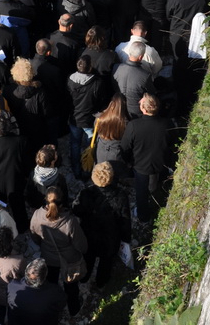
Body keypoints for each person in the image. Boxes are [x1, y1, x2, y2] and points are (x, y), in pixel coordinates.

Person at [28, 187, 86, 317]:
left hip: (48, 257)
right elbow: (80, 243)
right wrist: (83, 252)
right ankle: (74, 309)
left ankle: (53, 309)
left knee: (50, 284)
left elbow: (34, 235)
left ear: (45, 200)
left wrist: (44, 246)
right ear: (62, 202)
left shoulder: (37, 215)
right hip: (69, 259)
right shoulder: (70, 221)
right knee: (71, 286)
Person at [73, 162, 131, 288]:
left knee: (88, 259)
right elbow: (125, 222)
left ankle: (84, 278)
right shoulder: (120, 196)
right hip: (110, 239)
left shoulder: (85, 193)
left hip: (89, 236)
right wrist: (126, 239)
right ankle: (100, 282)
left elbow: (76, 210)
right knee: (106, 263)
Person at [121, 94, 173, 223]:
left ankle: (143, 217)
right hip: (160, 163)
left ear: (144, 109)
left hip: (140, 165)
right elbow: (172, 144)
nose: (139, 101)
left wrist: (128, 161)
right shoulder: (167, 123)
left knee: (141, 192)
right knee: (157, 183)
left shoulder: (134, 125)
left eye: (141, 102)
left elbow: (125, 147)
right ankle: (158, 194)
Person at [67, 54, 109, 177]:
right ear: (90, 67)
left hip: (75, 119)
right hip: (90, 120)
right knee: (90, 145)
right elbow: (102, 102)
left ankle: (76, 169)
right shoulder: (97, 83)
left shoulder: (70, 80)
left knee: (75, 144)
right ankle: (87, 169)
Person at [6, 258, 64, 325]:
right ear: (45, 275)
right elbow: (61, 305)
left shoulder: (12, 285)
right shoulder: (55, 291)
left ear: (26, 273)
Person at [112, 42, 157, 118]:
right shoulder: (145, 75)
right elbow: (151, 93)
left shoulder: (116, 68)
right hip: (136, 113)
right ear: (140, 57)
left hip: (118, 110)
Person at [26, 146, 68, 210]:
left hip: (38, 207)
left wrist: (33, 206)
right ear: (53, 161)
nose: (56, 154)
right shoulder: (59, 178)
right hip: (54, 208)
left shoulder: (33, 174)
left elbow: (29, 192)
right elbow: (64, 196)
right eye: (55, 154)